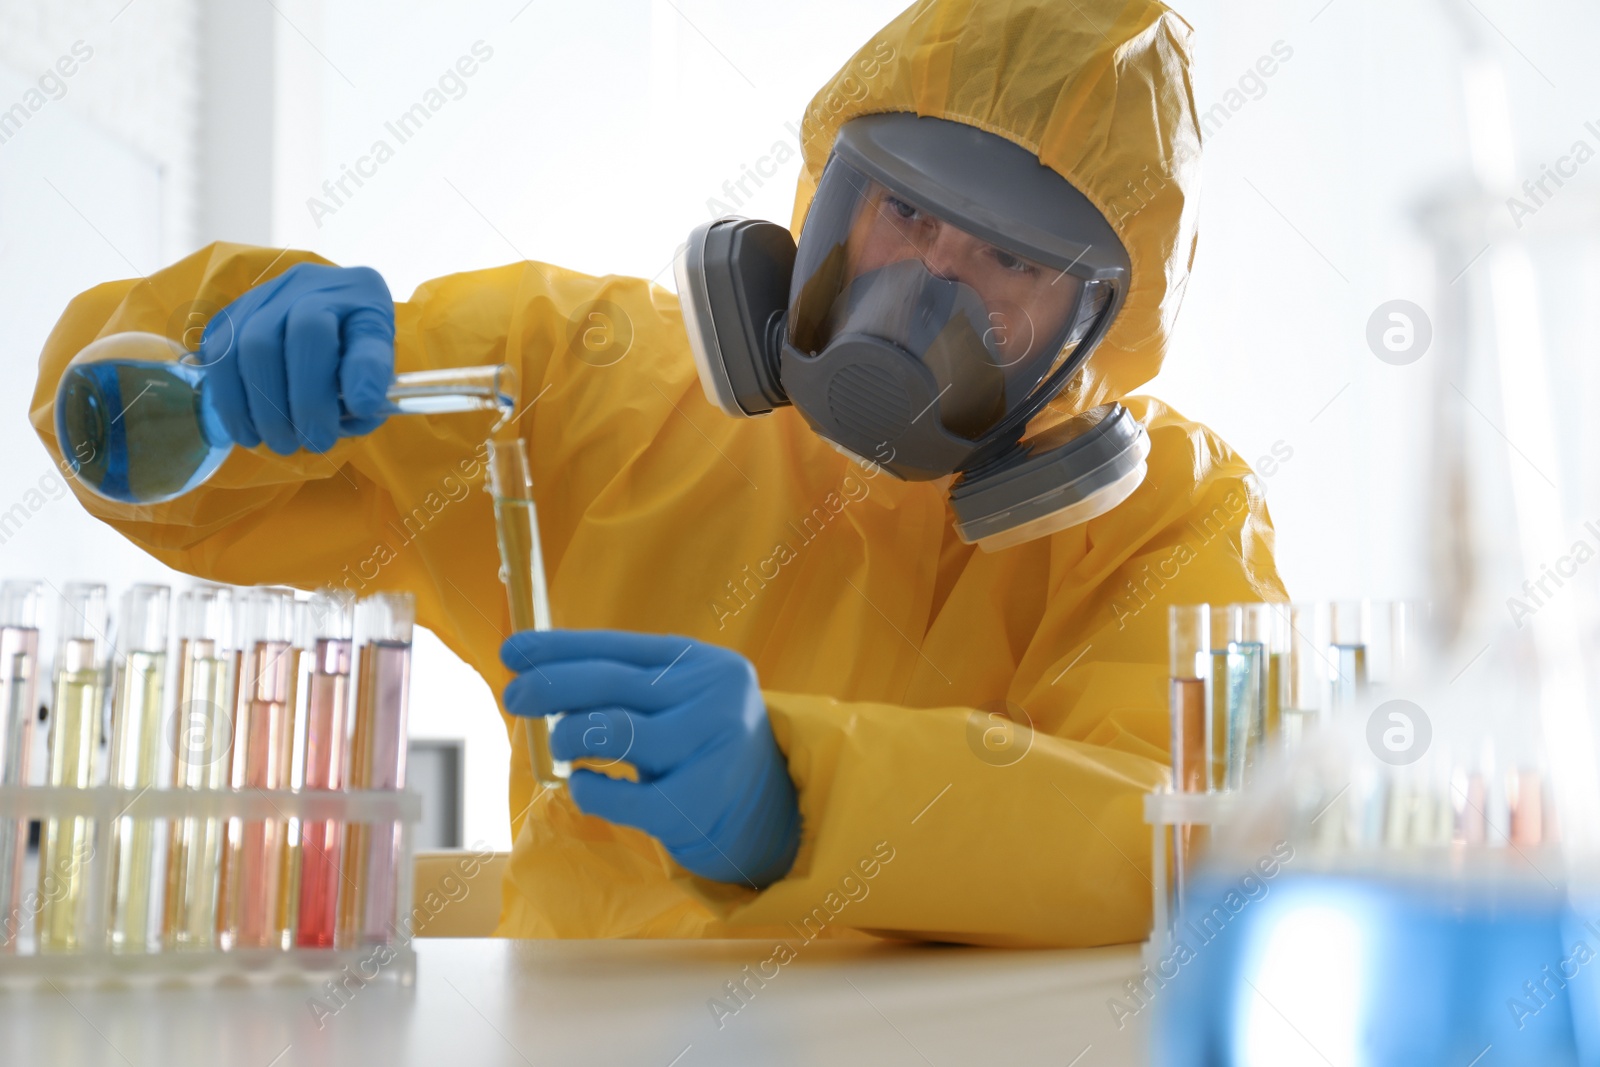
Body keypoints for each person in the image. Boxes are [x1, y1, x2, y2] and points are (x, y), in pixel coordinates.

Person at [28, 0, 1285, 946]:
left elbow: (1204, 843)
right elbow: (135, 461)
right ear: (826, 195)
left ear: (1094, 325)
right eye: (904, 214)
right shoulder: (582, 385)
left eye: (1004, 258)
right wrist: (206, 363)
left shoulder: (1171, 520)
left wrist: (805, 795)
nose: (924, 282)